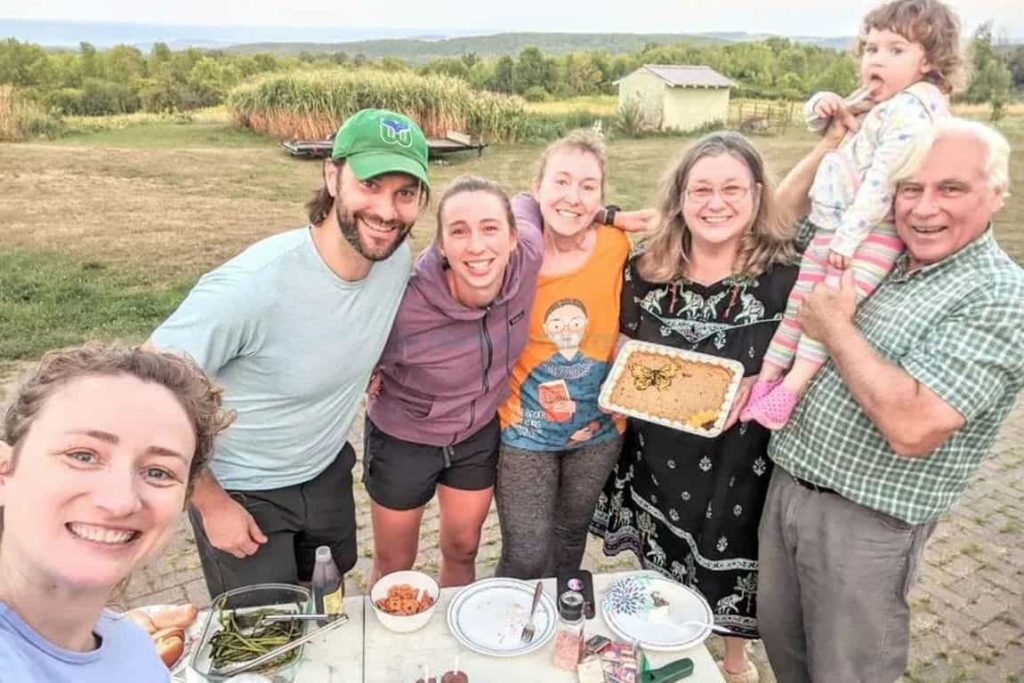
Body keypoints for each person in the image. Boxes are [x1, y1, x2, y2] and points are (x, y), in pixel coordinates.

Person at [757, 118, 1024, 682]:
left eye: (950, 189)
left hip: (866, 526)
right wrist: (829, 143)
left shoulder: (998, 297)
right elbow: (776, 220)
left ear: (996, 194)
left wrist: (835, 328)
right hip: (787, 492)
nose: (924, 208)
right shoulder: (880, 249)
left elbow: (914, 425)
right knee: (787, 657)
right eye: (910, 187)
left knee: (847, 672)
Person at [147, 108, 431, 596]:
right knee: (265, 636)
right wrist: (210, 502)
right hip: (244, 490)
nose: (387, 211)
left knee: (327, 601)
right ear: (333, 175)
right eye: (371, 185)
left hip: (325, 472)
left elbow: (354, 325)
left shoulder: (394, 260)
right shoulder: (251, 287)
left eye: (405, 193)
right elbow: (145, 391)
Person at [590, 132, 798, 683]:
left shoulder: (787, 278)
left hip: (744, 462)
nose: (715, 203)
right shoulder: (646, 269)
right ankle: (671, 644)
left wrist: (760, 389)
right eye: (700, 188)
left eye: (732, 188)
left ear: (756, 194)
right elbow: (620, 345)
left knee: (736, 568)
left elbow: (806, 368)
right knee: (665, 562)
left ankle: (733, 663)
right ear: (680, 196)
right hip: (659, 456)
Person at [742, 0, 961, 429]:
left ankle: (789, 389)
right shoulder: (889, 103)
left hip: (867, 235)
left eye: (896, 50)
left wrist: (846, 239)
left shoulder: (911, 111)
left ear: (929, 60)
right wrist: (826, 105)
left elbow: (882, 179)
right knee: (800, 304)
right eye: (871, 49)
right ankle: (767, 380)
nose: (877, 59)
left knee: (826, 313)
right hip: (836, 228)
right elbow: (834, 123)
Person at [0, 344, 231, 682]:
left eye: (158, 472)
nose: (120, 501)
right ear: (5, 471)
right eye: (82, 455)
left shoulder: (133, 647)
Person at [364, 175, 542, 587]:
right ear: (441, 244)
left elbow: (534, 201)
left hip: (476, 435)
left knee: (463, 549)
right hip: (404, 439)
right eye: (459, 232)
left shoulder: (528, 254)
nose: (477, 246)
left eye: (491, 228)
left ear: (513, 237)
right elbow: (345, 350)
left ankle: (452, 643)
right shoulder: (404, 309)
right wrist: (366, 371)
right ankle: (392, 645)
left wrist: (609, 216)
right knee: (395, 563)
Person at [496, 129, 635, 580]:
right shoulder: (513, 256)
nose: (573, 197)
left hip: (599, 431)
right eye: (561, 181)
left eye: (587, 186)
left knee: (572, 536)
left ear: (601, 198)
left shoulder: (617, 247)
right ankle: (510, 634)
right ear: (537, 188)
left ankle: (561, 624)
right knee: (526, 552)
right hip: (525, 433)